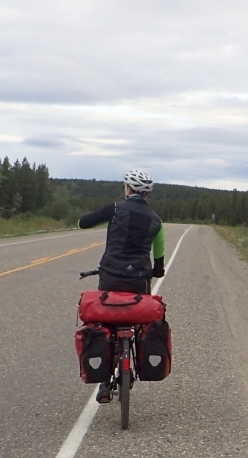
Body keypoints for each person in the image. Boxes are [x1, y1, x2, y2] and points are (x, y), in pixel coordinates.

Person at [78, 169, 165, 403]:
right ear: (146, 193)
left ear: (128, 189)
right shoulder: (156, 220)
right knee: (137, 320)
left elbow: (83, 223)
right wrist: (157, 270)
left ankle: (105, 382)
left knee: (106, 320)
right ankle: (136, 354)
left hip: (110, 276)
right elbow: (159, 259)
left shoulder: (115, 209)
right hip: (138, 280)